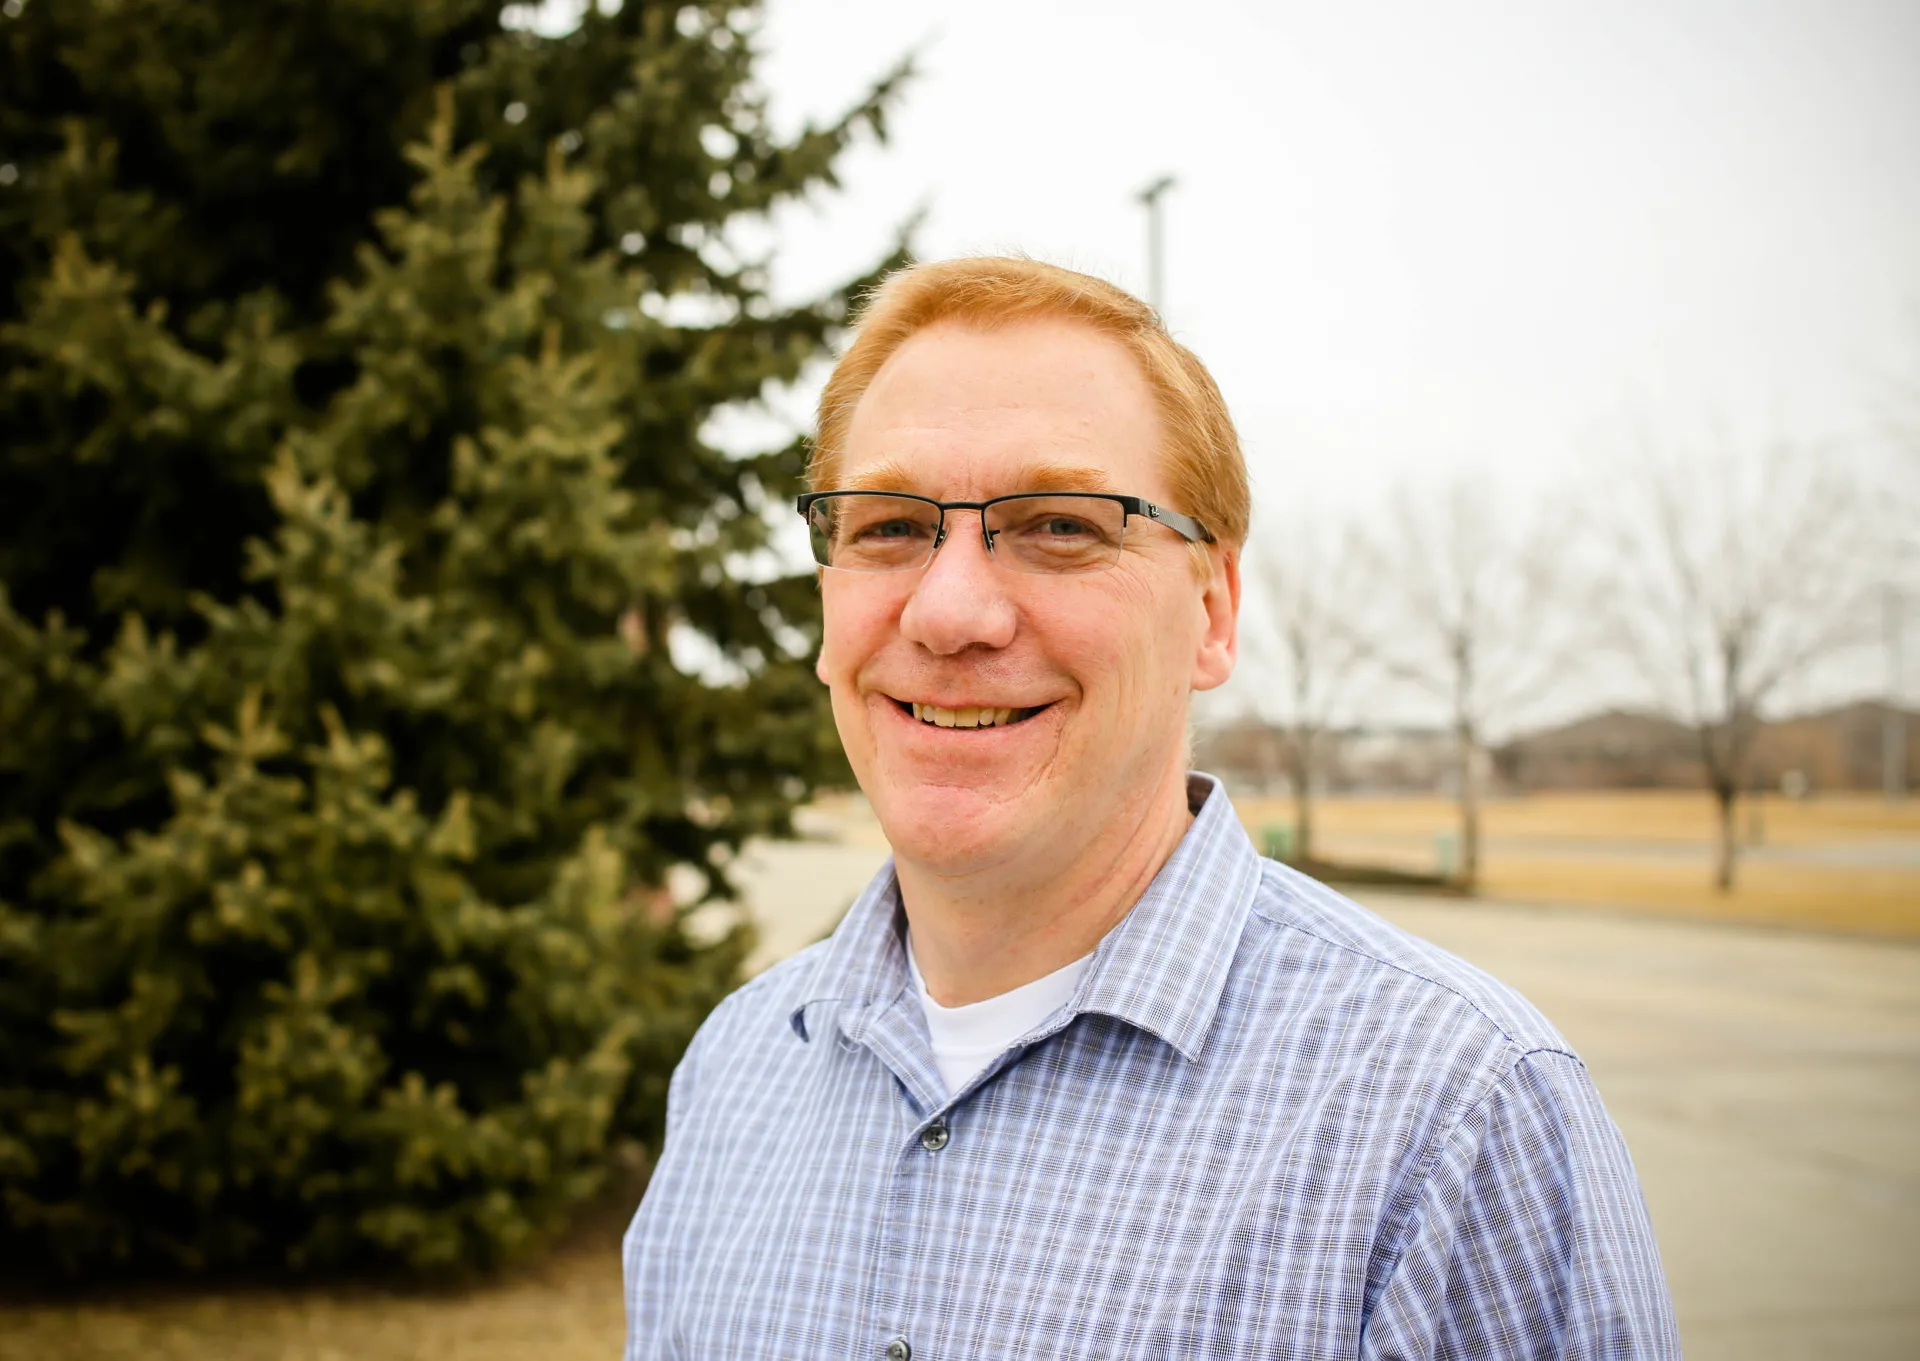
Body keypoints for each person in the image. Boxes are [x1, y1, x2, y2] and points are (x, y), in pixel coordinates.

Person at [622, 257, 1679, 1359]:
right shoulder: (735, 1069)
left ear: (1213, 609)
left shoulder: (1455, 1120)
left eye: (1061, 526)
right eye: (888, 526)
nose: (949, 612)